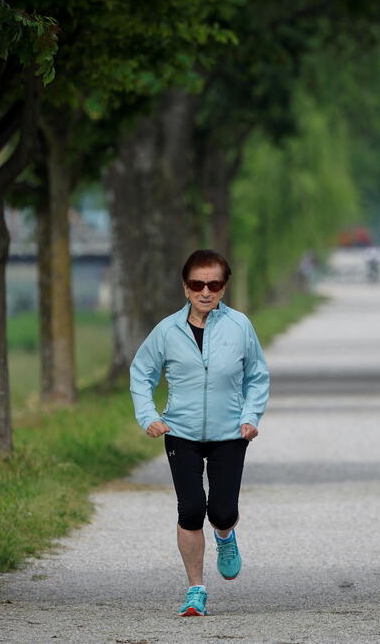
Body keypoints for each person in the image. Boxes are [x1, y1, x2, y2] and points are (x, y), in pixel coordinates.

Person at [129, 249, 270, 617]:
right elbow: (141, 373)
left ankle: (225, 535)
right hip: (181, 432)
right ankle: (196, 590)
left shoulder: (240, 326)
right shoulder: (166, 330)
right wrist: (148, 416)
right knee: (191, 510)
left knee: (222, 512)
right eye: (197, 284)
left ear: (224, 288)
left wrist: (251, 416)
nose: (205, 291)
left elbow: (257, 376)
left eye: (214, 284)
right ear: (185, 287)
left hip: (230, 432)